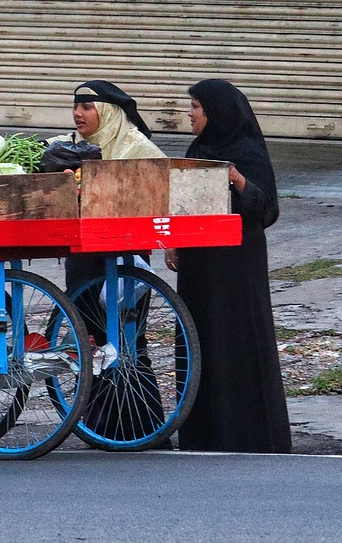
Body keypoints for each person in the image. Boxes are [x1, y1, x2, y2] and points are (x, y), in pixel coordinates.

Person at [167, 79, 291, 453]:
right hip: (199, 266)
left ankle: (250, 435)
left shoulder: (246, 151)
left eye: (196, 107)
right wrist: (173, 239)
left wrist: (237, 180)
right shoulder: (198, 149)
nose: (190, 114)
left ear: (216, 112)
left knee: (238, 342)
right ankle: (204, 436)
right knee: (200, 341)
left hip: (236, 266)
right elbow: (184, 201)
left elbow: (266, 210)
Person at [60, 80, 165, 295]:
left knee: (126, 309)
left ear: (108, 112)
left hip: (128, 245)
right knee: (80, 304)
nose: (77, 113)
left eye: (86, 107)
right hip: (84, 247)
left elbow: (162, 189)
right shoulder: (68, 144)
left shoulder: (136, 146)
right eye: (75, 106)